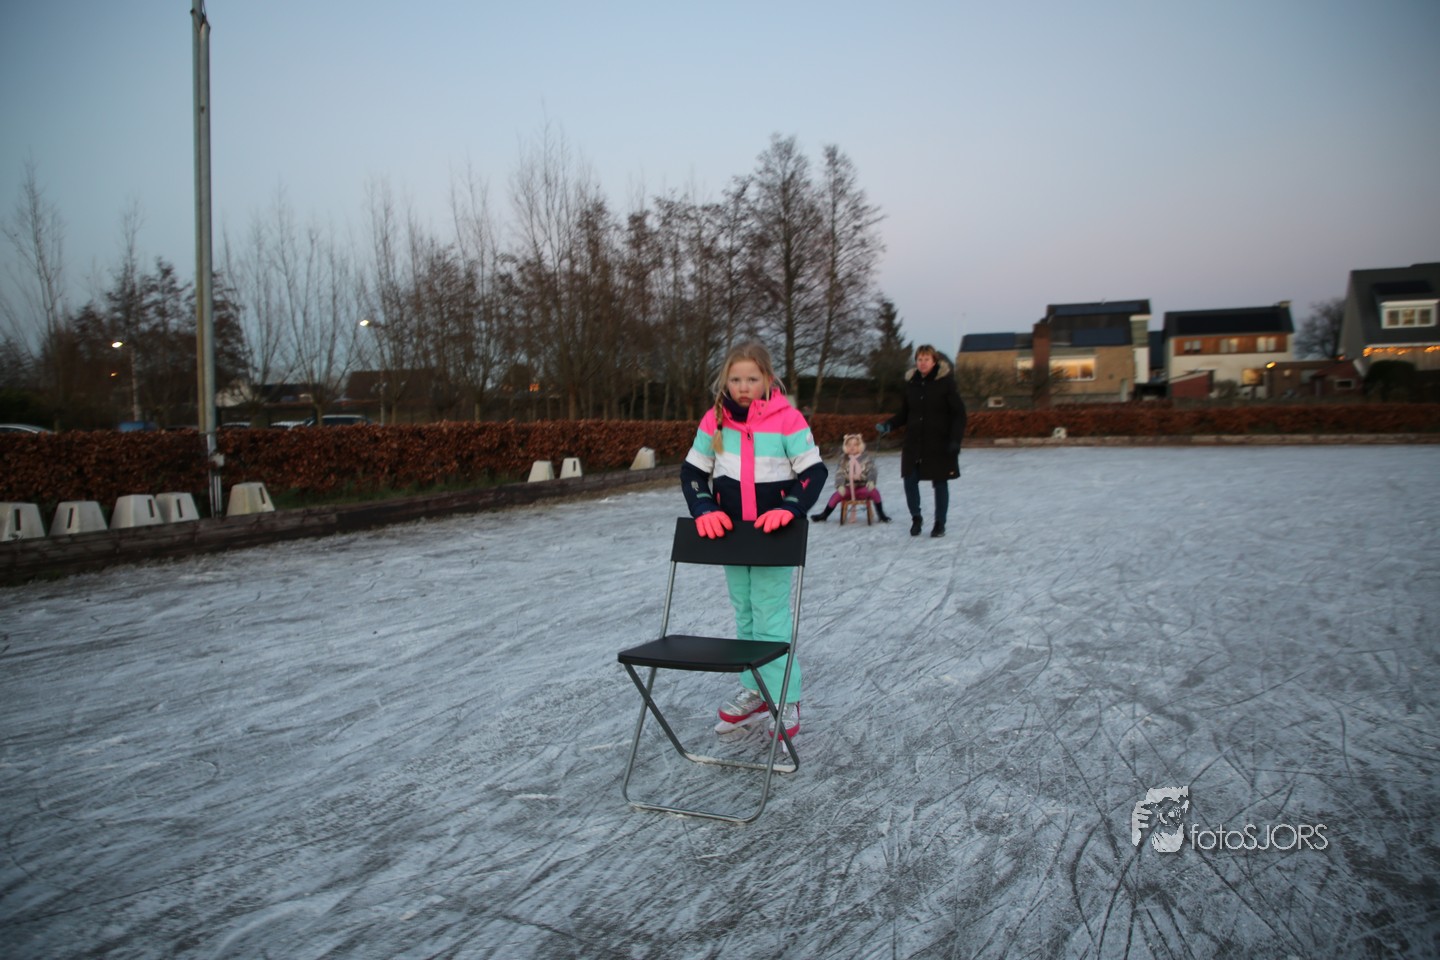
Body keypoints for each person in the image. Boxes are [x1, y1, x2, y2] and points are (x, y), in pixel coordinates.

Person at [680, 341, 827, 740]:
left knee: (769, 614)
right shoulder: (715, 420)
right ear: (725, 382)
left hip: (773, 536)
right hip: (733, 537)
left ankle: (784, 695)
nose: (743, 387)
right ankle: (756, 689)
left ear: (768, 379)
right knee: (744, 612)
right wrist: (704, 507)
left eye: (752, 379)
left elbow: (813, 472)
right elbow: (693, 472)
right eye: (735, 379)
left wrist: (791, 507)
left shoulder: (788, 419)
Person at [876, 344, 967, 538]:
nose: (923, 363)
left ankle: (940, 523)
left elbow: (959, 414)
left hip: (939, 443)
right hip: (914, 443)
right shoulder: (912, 384)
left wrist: (955, 440)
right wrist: (889, 424)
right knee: (909, 480)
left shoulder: (946, 383)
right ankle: (916, 518)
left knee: (940, 482)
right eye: (919, 359)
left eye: (926, 359)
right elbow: (905, 413)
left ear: (934, 361)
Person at [810, 433, 892, 523]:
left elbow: (872, 470)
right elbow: (840, 473)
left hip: (862, 487)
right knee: (836, 496)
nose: (852, 447)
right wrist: (840, 485)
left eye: (855, 445)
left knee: (875, 492)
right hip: (848, 488)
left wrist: (871, 481)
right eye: (849, 445)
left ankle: (881, 514)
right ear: (845, 447)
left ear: (860, 446)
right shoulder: (844, 459)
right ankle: (825, 514)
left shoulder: (866, 458)